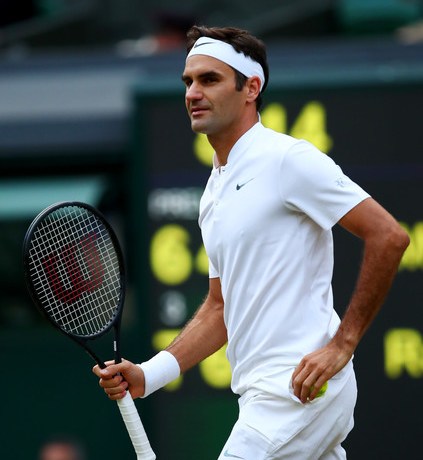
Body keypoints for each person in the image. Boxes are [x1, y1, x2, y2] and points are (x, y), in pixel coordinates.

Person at [93, 25, 409, 459]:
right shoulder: (213, 193)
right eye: (188, 81)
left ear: (251, 88)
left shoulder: (287, 159)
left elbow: (389, 236)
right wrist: (150, 374)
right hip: (262, 393)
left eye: (210, 79)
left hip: (296, 389)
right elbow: (219, 307)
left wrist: (342, 344)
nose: (193, 93)